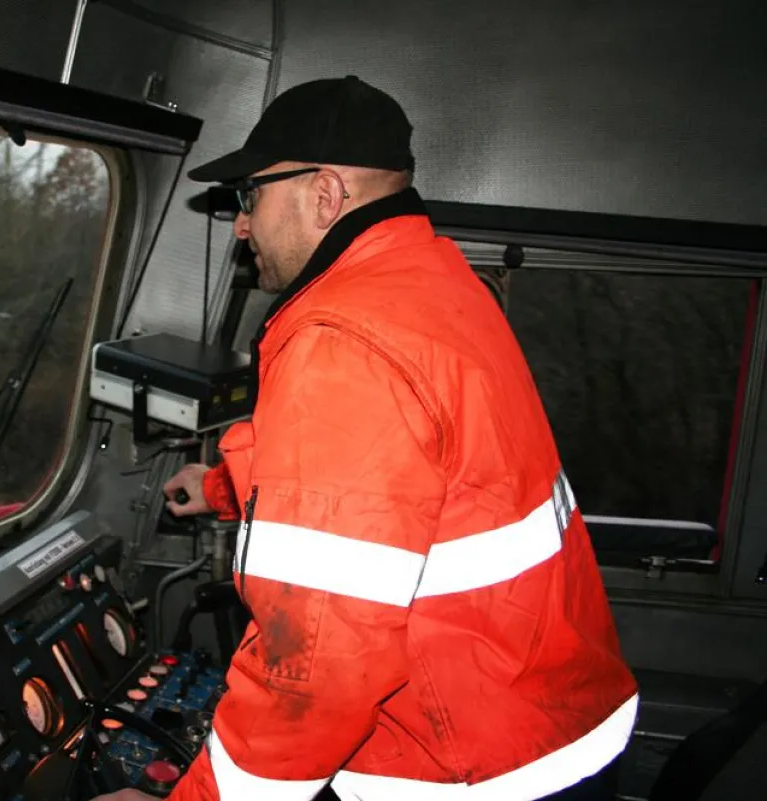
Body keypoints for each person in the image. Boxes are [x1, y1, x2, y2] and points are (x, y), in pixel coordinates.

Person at [93, 76, 638, 801]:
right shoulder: (440, 283)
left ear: (324, 193)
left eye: (250, 196)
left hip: (470, 769)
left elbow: (317, 664)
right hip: (547, 723)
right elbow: (402, 490)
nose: (242, 225)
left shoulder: (342, 340)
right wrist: (223, 489)